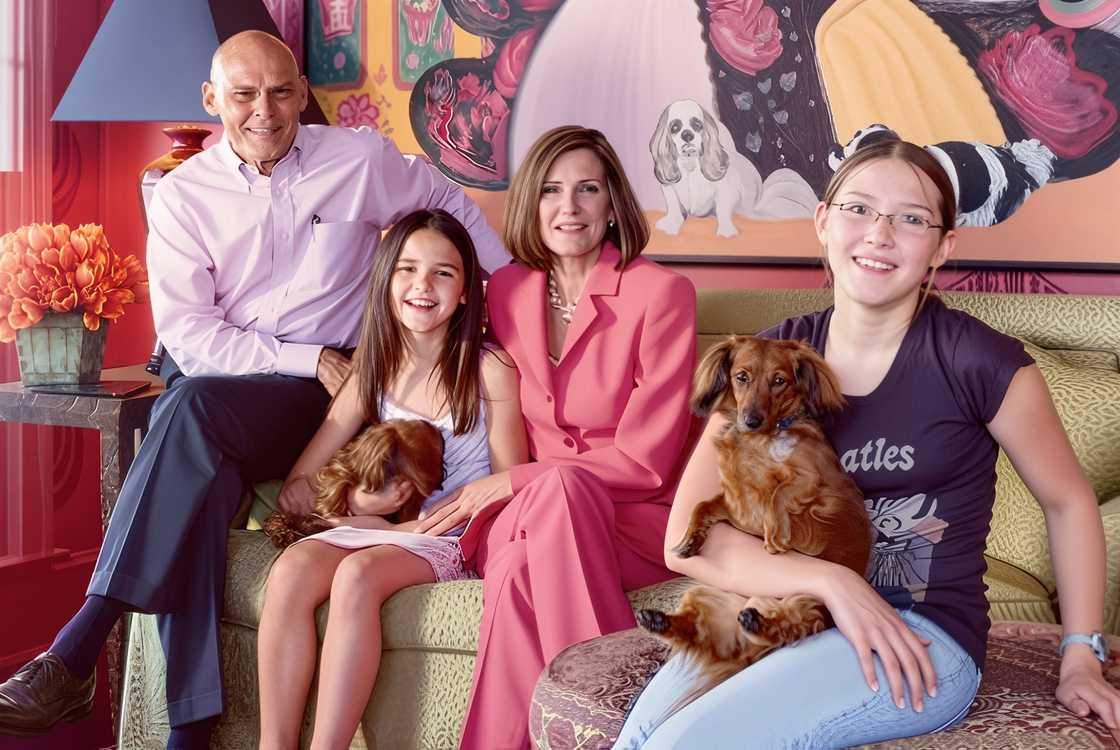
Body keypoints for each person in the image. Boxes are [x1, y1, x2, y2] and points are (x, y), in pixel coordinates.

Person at [0, 32, 506, 750]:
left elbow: (445, 204)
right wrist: (310, 355)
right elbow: (192, 337)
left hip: (312, 405)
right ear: (212, 101)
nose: (263, 111)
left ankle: (78, 647)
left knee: (186, 417)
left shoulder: (358, 161)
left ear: (301, 94)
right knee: (195, 448)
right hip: (243, 379)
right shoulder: (181, 195)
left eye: (279, 91)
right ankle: (192, 729)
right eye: (243, 94)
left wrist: (514, 300)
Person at [613, 138, 1120, 748]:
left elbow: (1067, 502)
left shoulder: (982, 362)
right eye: (859, 209)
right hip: (789, 613)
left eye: (910, 219)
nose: (880, 234)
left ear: (942, 247)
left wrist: (1080, 656)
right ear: (823, 221)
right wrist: (835, 582)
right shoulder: (769, 360)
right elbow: (685, 542)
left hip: (921, 635)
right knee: (642, 734)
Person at [414, 125, 698, 749]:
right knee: (530, 532)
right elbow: (427, 336)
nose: (567, 208)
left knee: (519, 569)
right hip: (535, 513)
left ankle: (599, 724)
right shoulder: (507, 290)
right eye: (549, 191)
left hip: (634, 516)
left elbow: (646, 463)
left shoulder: (662, 294)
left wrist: (513, 480)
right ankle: (616, 723)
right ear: (530, 204)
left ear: (611, 202)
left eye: (587, 189)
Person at [256, 209, 526, 749]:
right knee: (291, 568)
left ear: (468, 290)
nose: (422, 286)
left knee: (357, 576)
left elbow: (510, 485)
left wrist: (414, 528)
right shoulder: (374, 367)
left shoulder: (489, 369)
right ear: (386, 280)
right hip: (382, 525)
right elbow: (303, 478)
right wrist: (350, 504)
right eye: (406, 269)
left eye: (443, 273)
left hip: (451, 533)